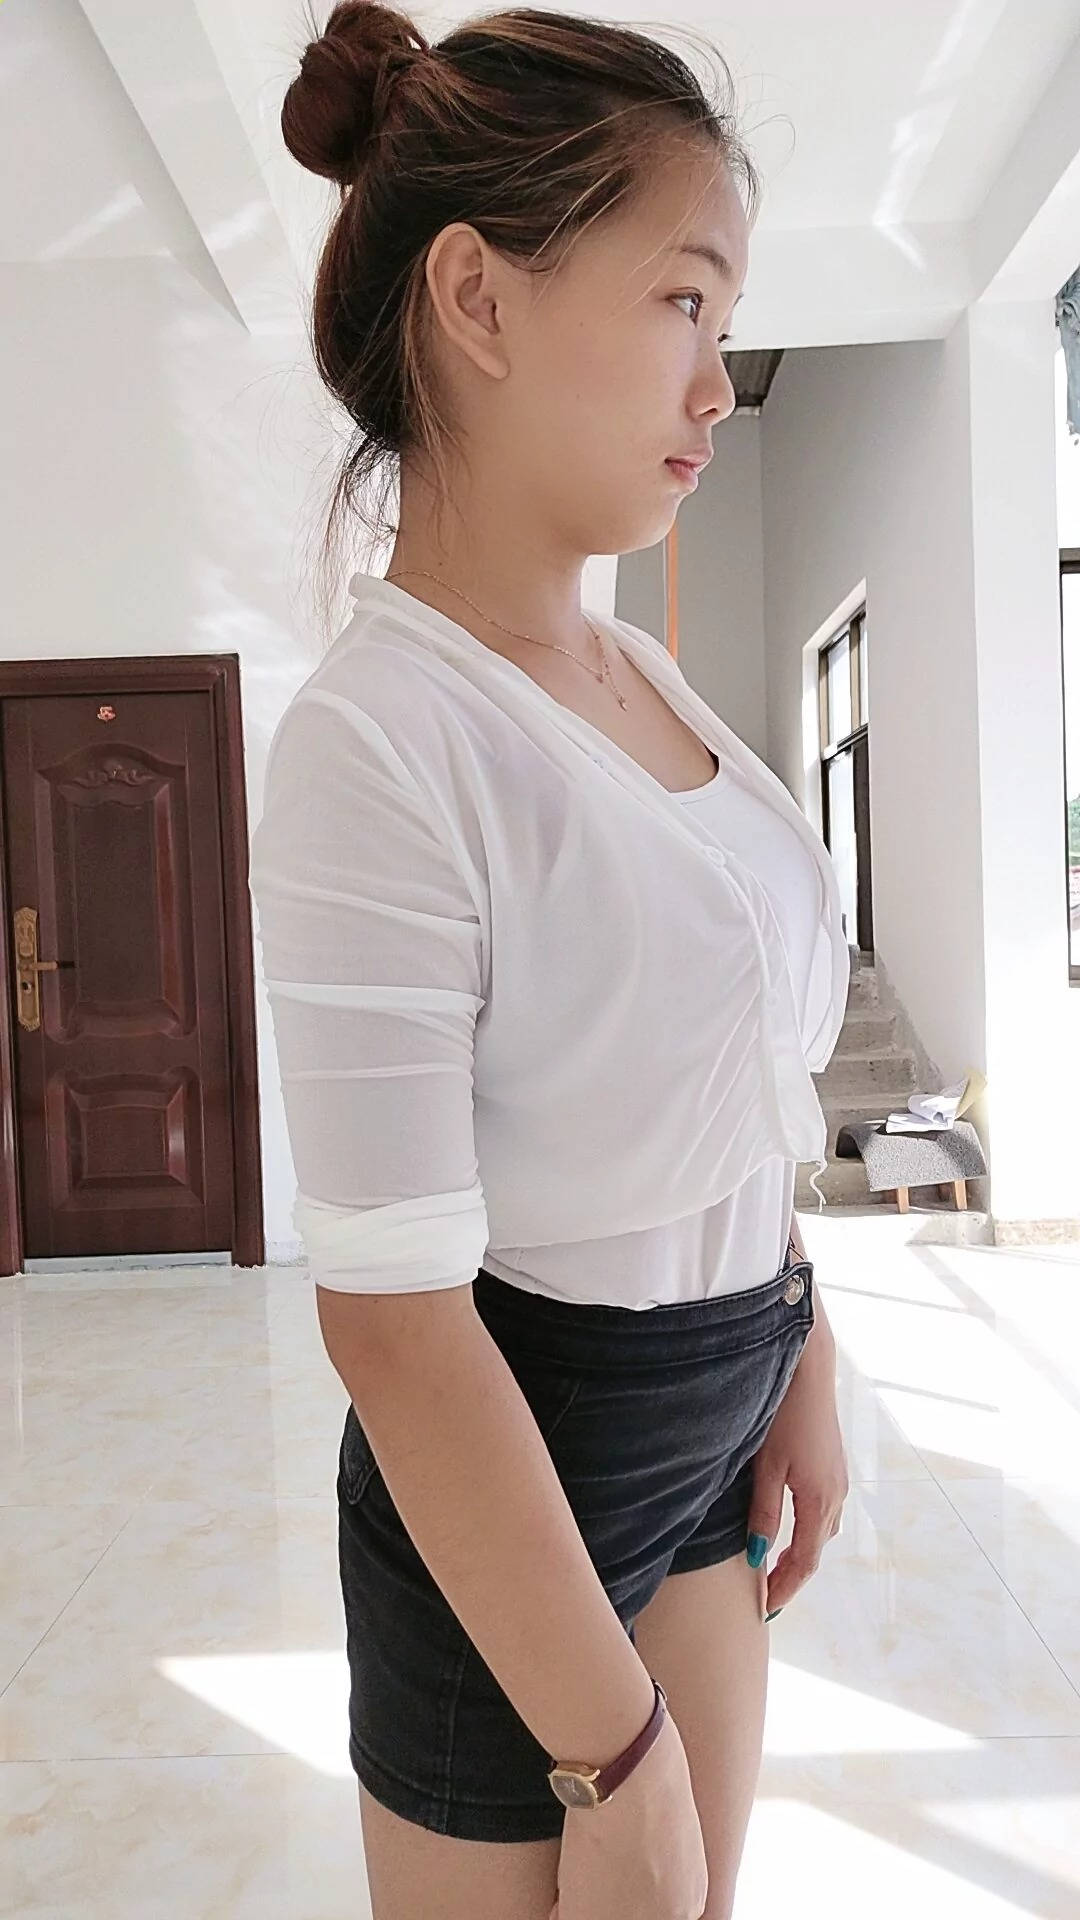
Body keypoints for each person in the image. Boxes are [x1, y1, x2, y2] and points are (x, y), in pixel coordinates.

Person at [251, 5, 850, 1916]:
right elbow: (395, 1323)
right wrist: (614, 1755)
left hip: (709, 1440)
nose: (719, 381)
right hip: (517, 1491)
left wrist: (800, 1341)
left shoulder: (636, 672)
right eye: (684, 299)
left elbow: (730, 1063)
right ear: (476, 299)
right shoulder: (380, 740)